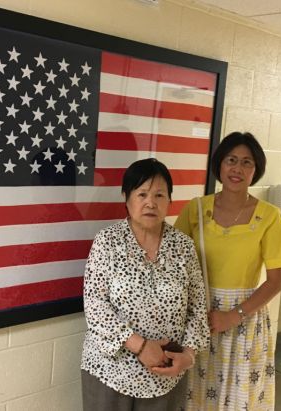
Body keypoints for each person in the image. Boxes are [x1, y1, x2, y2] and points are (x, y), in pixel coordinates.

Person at [174, 132, 281, 411]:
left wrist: (233, 315)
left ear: (256, 170)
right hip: (198, 317)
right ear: (220, 164)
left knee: (238, 398)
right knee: (196, 395)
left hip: (244, 319)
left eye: (246, 162)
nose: (237, 169)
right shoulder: (196, 210)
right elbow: (172, 261)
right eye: (231, 160)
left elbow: (276, 282)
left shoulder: (270, 216)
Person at [81, 158, 210, 411]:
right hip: (110, 371)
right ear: (126, 198)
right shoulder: (107, 242)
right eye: (142, 194)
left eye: (159, 194)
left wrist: (189, 355)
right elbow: (94, 304)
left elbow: (197, 307)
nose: (151, 202)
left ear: (170, 200)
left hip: (166, 373)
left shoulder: (183, 246)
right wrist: (140, 346)